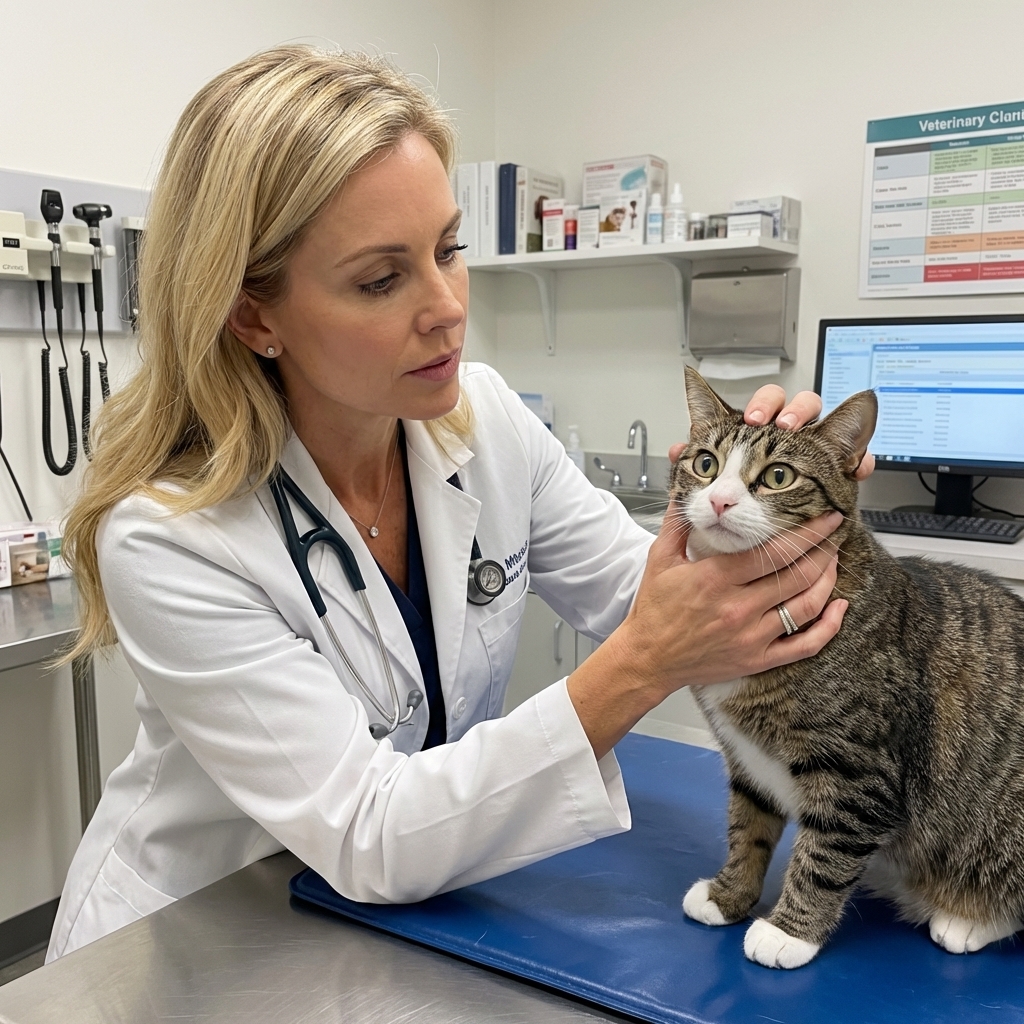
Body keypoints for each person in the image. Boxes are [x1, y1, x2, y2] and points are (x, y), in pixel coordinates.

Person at [47, 46, 867, 961]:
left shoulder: (485, 424)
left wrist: (783, 510)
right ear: (255, 317)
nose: (446, 307)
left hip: (395, 917)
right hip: (202, 936)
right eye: (381, 278)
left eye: (448, 249)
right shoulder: (171, 537)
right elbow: (369, 830)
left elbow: (645, 593)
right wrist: (638, 668)